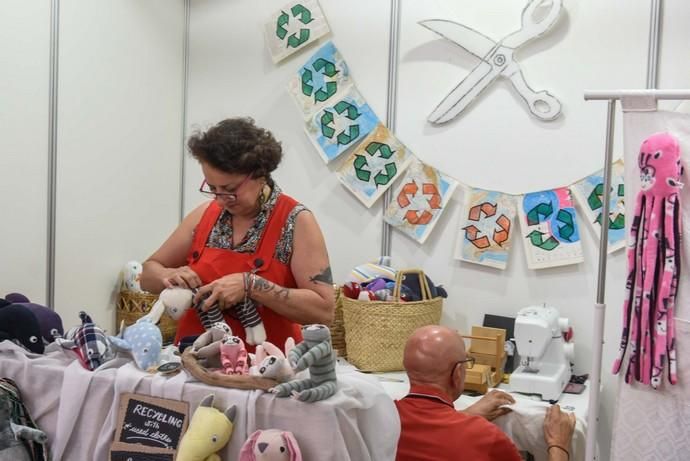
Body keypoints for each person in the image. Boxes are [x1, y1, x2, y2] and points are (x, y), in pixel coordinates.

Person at [140, 117, 335, 350]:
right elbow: (147, 274)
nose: (221, 200)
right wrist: (168, 275)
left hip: (264, 370)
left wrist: (251, 285)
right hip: (194, 361)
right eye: (213, 189)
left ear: (260, 175)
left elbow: (324, 311)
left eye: (230, 190)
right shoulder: (204, 216)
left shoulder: (296, 222)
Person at [395, 325, 575, 461]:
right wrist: (559, 446)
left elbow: (426, 431)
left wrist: (463, 417)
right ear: (458, 373)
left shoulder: (383, 417)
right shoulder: (485, 437)